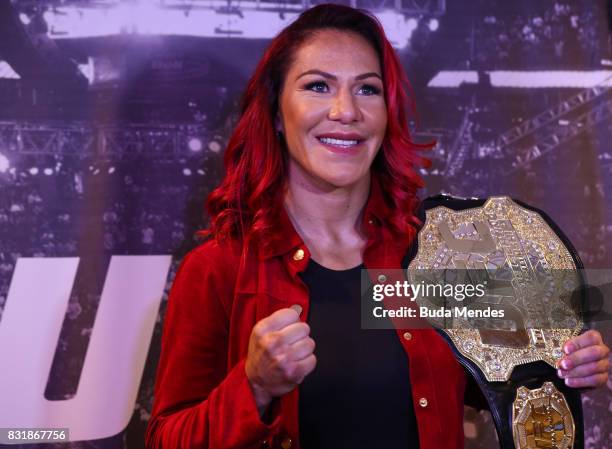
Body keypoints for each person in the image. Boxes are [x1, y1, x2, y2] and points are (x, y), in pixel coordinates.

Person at [145, 4, 610, 449]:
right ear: (275, 114)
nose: (346, 110)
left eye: (367, 89)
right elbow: (165, 438)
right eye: (318, 86)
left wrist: (561, 365)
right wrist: (254, 388)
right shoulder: (217, 269)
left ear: (387, 116)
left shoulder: (437, 252)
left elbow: (483, 379)